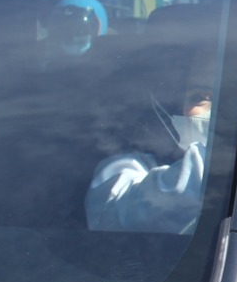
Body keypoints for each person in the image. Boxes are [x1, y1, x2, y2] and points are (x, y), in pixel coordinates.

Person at [84, 49, 214, 234]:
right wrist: (218, 162)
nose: (218, 111)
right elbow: (112, 211)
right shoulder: (128, 166)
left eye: (232, 98)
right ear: (173, 108)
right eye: (200, 97)